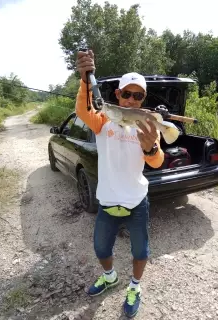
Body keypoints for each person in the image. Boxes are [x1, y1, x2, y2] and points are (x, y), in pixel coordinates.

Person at [75, 50, 164, 318]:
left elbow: (157, 162)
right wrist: (84, 79)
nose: (132, 100)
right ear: (118, 95)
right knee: (101, 248)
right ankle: (110, 276)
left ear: (143, 100)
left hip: (137, 200)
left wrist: (150, 150)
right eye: (127, 94)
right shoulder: (103, 120)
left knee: (141, 251)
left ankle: (135, 287)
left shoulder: (148, 124)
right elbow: (82, 109)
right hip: (108, 200)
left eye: (138, 96)